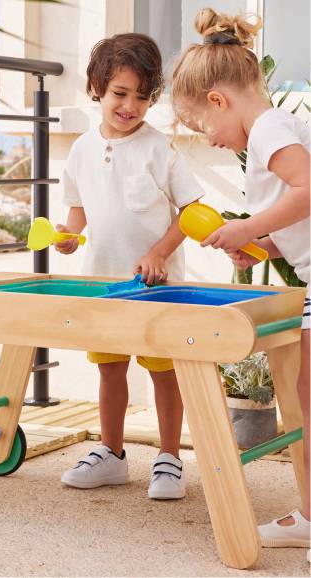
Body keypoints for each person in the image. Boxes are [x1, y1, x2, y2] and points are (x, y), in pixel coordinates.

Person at [170, 7, 310, 554]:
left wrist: (247, 226)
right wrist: (265, 244)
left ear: (218, 101)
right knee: (302, 394)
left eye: (204, 127)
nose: (210, 139)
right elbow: (298, 211)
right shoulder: (274, 130)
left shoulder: (271, 129)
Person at [56, 33, 203, 498]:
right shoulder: (80, 149)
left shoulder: (160, 148)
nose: (130, 106)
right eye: (120, 93)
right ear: (97, 87)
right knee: (110, 368)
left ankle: (169, 458)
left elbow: (192, 211)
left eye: (142, 97)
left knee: (163, 370)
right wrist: (67, 234)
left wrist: (159, 253)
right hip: (104, 283)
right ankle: (112, 453)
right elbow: (77, 210)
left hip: (158, 288)